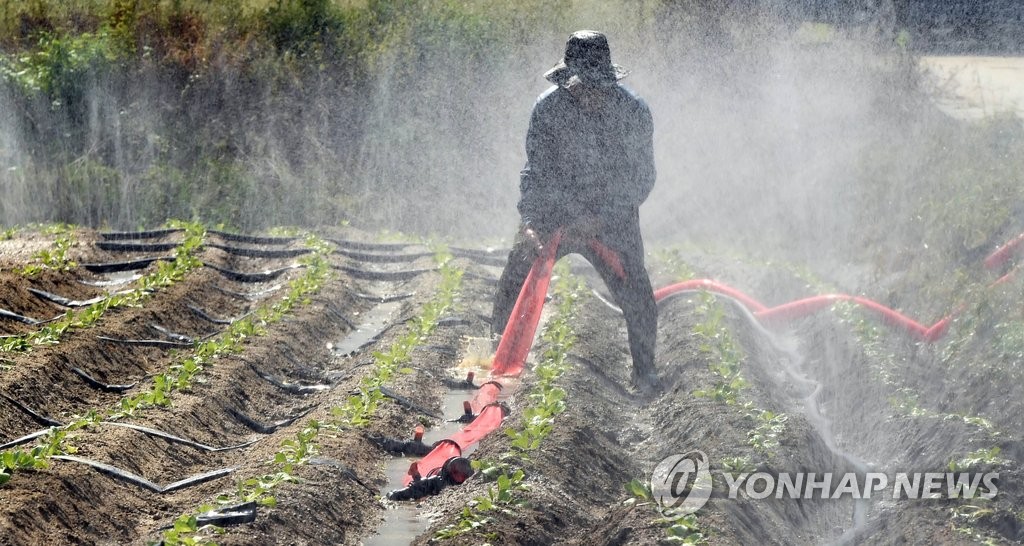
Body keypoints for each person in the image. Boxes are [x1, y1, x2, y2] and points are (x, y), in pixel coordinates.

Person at [491, 30, 658, 391]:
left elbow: (641, 178)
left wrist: (600, 219)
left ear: (609, 81)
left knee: (635, 286)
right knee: (518, 268)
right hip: (557, 211)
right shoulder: (548, 109)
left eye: (597, 86)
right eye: (581, 86)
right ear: (569, 81)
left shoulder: (633, 112)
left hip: (611, 213)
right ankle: (497, 358)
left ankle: (645, 372)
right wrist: (532, 223)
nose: (588, 94)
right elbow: (535, 171)